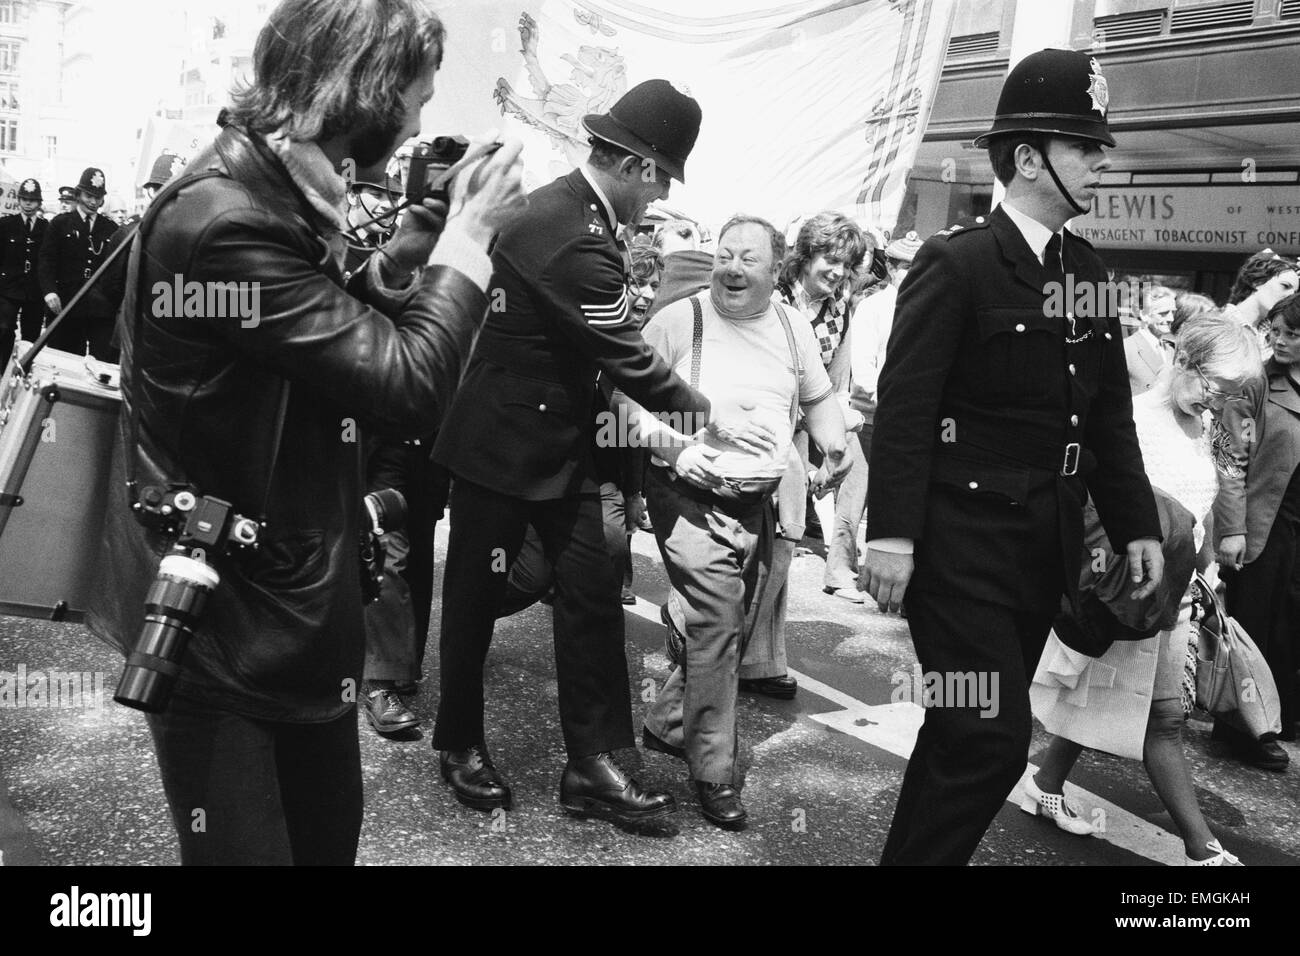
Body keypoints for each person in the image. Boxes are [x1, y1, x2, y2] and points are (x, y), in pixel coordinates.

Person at [84, 0, 528, 865]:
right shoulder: (225, 220)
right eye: (416, 99)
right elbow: (406, 381)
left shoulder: (267, 188)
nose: (418, 127)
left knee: (327, 848)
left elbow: (314, 330)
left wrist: (411, 250)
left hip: (293, 605)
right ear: (363, 94)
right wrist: (471, 240)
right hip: (229, 630)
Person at [431, 80, 768, 826]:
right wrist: (705, 418)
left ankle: (592, 764)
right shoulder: (571, 231)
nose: (658, 201)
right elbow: (625, 355)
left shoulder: (581, 216)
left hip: (567, 447)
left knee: (590, 597)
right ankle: (457, 741)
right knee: (475, 602)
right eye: (662, 182)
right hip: (499, 445)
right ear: (642, 169)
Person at [861, 48, 1164, 866]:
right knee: (991, 738)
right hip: (958, 544)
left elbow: (1108, 417)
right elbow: (907, 408)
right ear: (1028, 157)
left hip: (1042, 547)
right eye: (1084, 146)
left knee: (959, 728)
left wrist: (1137, 523)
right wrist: (890, 535)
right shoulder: (956, 262)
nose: (1102, 160)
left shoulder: (1087, 271)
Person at [627, 215, 850, 827]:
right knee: (721, 622)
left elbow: (817, 399)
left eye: (748, 259)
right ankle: (714, 772)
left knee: (721, 628)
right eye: (724, 254)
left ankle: (669, 721)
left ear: (776, 271)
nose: (731, 267)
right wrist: (679, 446)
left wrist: (835, 446)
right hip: (687, 496)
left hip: (757, 503)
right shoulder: (680, 320)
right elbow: (619, 397)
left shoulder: (791, 324)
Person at [1027, 314, 1261, 865]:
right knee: (1162, 722)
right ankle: (1203, 849)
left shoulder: (1202, 425)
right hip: (1130, 596)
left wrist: (1207, 570)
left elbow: (1195, 512)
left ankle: (1045, 783)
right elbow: (1092, 513)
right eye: (1215, 387)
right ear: (1182, 360)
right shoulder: (1127, 420)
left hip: (1176, 599)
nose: (1218, 402)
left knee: (1110, 700)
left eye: (1231, 393)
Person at [1212, 291, 1300, 769]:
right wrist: (1232, 529)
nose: (1279, 340)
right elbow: (1230, 459)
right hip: (1267, 524)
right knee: (1254, 626)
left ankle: (1280, 716)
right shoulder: (1256, 384)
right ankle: (1244, 727)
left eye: (1292, 333)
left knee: (1291, 627)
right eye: (1276, 331)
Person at [777, 212, 869, 601]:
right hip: (769, 413)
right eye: (831, 260)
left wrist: (837, 438)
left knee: (857, 463)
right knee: (792, 478)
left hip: (811, 411)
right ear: (807, 255)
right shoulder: (774, 297)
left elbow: (833, 386)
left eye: (846, 265)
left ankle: (841, 567)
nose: (838, 272)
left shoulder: (839, 312)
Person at [36, 166, 119, 357]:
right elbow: (46, 260)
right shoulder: (60, 223)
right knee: (64, 360)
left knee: (103, 363)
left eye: (97, 197)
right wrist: (49, 291)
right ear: (78, 194)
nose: (93, 201)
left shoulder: (110, 228)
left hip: (99, 308)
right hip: (66, 304)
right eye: (88, 195)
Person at [0, 178, 48, 356]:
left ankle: (24, 371)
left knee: (31, 337)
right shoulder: (5, 225)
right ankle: (2, 371)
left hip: (34, 290)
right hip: (8, 288)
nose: (28, 204)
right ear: (19, 200)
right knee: (4, 329)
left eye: (33, 200)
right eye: (25, 199)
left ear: (39, 203)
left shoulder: (46, 228)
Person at [1222, 249, 1299, 358]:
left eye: (1294, 292)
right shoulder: (1222, 323)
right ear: (1257, 281)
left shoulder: (1272, 331)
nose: (1290, 296)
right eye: (1285, 286)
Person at [1124, 283, 1176, 394]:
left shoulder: (1171, 350)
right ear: (1144, 315)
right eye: (1163, 313)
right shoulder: (1126, 349)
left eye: (1173, 312)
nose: (1171, 318)